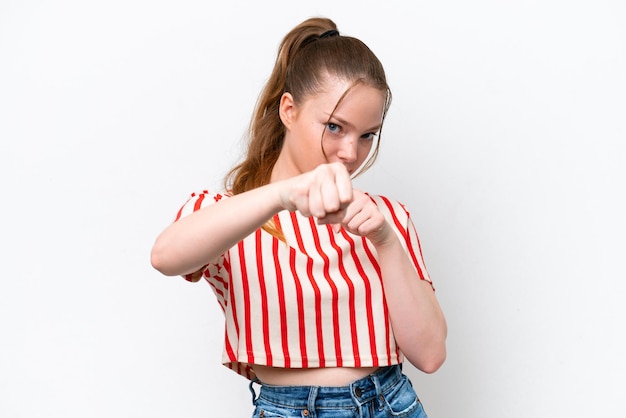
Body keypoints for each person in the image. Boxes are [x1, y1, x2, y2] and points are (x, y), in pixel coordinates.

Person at [151, 16, 447, 418]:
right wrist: (282, 194)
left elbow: (430, 355)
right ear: (288, 110)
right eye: (335, 127)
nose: (350, 152)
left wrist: (385, 239)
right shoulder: (231, 214)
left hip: (391, 404)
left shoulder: (385, 218)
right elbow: (165, 257)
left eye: (367, 135)